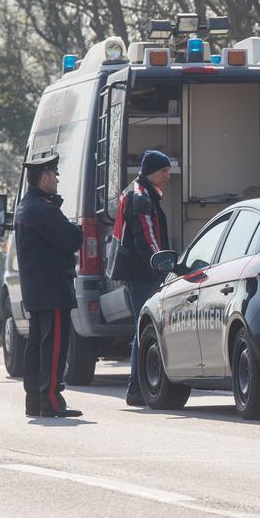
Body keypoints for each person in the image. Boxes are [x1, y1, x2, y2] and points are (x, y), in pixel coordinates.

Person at [15, 151, 83, 418]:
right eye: (54, 174)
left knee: (37, 347)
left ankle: (35, 400)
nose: (56, 178)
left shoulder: (28, 205)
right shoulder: (42, 209)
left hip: (38, 289)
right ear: (44, 177)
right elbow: (71, 238)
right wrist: (76, 228)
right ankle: (52, 401)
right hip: (52, 289)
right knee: (54, 348)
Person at [111, 150, 173, 407]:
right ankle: (135, 388)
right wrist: (160, 263)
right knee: (144, 328)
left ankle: (137, 388)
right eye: (164, 171)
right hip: (141, 273)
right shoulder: (140, 197)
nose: (168, 176)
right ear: (152, 172)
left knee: (142, 327)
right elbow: (146, 237)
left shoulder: (139, 192)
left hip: (136, 272)